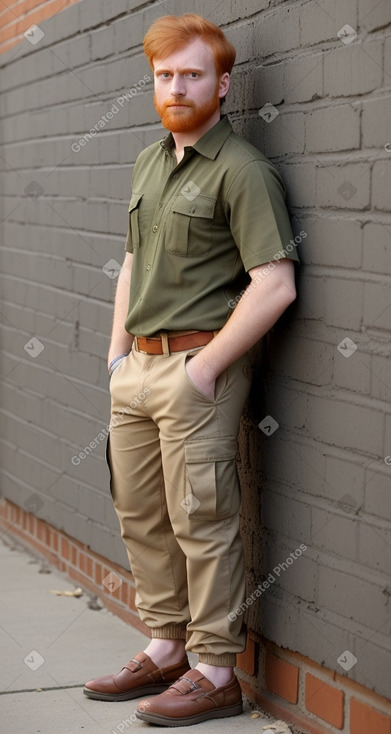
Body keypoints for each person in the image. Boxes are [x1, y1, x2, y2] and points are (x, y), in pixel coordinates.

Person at [83, 13, 300, 727]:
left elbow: (274, 283)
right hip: (136, 370)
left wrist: (204, 369)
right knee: (141, 513)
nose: (176, 87)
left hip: (194, 371)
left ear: (223, 82)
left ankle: (215, 670)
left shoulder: (242, 171)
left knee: (201, 521)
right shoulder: (150, 161)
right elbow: (135, 264)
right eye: (164, 76)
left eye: (191, 75)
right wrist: (116, 355)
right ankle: (166, 645)